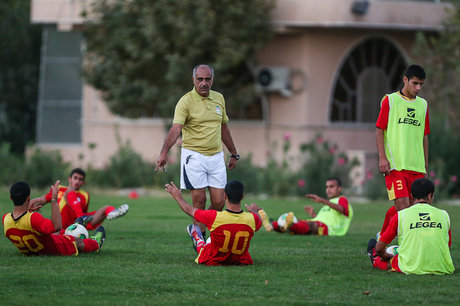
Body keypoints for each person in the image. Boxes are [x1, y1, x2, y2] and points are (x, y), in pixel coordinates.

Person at [156, 64, 239, 238]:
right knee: (200, 201)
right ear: (193, 80)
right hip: (193, 157)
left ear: (212, 80)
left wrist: (233, 153)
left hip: (216, 156)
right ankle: (199, 240)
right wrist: (164, 152)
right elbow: (175, 129)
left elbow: (224, 128)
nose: (204, 83)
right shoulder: (185, 101)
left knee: (218, 203)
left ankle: (196, 227)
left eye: (207, 79)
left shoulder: (219, 99)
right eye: (200, 79)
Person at [375, 64, 430, 235]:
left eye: (421, 84)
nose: (418, 88)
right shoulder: (390, 100)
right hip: (395, 165)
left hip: (417, 167)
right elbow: (379, 129)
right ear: (405, 79)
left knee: (415, 211)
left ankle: (381, 240)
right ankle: (404, 251)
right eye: (414, 83)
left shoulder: (423, 104)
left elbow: (424, 136)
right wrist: (382, 158)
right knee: (404, 210)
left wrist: (425, 165)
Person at [367, 178, 454, 275]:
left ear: (412, 196)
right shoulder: (444, 215)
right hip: (442, 267)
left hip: (410, 266)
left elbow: (379, 248)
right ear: (430, 196)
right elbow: (447, 247)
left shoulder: (401, 215)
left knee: (384, 262)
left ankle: (374, 258)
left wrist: (386, 256)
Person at [165, 180, 262, 266]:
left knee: (206, 245)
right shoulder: (252, 219)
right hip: (239, 261)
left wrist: (178, 197)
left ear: (225, 196)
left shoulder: (215, 216)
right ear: (242, 197)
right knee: (216, 237)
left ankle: (196, 235)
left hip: (214, 260)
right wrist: (254, 211)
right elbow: (259, 221)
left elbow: (189, 210)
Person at [3, 180, 105, 256]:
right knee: (77, 241)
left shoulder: (6, 219)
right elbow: (57, 226)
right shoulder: (33, 218)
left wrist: (27, 210)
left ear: (11, 198)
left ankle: (77, 226)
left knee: (55, 233)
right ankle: (96, 243)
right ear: (28, 198)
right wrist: (54, 200)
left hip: (36, 247)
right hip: (53, 249)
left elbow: (23, 226)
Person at [31, 168, 129, 231]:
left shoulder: (85, 195)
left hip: (75, 224)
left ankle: (112, 212)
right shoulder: (59, 189)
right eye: (75, 178)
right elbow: (43, 199)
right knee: (70, 193)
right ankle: (81, 221)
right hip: (60, 226)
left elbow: (83, 211)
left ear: (83, 183)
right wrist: (33, 203)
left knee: (106, 207)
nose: (77, 181)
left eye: (80, 179)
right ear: (70, 179)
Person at [259, 177, 353, 236]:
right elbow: (326, 218)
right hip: (319, 224)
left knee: (310, 225)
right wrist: (313, 215)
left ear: (340, 188)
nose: (328, 189)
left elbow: (342, 210)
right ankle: (272, 225)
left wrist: (322, 200)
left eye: (331, 186)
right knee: (299, 222)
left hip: (329, 230)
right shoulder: (330, 203)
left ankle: (286, 225)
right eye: (327, 187)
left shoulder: (342, 199)